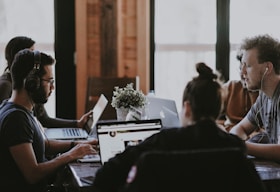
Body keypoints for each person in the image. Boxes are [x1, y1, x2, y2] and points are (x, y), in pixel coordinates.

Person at [92, 62, 246, 192]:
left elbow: (104, 177)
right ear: (218, 108)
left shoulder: (161, 142)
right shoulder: (235, 147)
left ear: (187, 108)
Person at [0, 49, 98, 192]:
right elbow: (33, 174)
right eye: (49, 81)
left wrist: (79, 144)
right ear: (32, 82)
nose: (52, 87)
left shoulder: (17, 109)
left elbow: (44, 145)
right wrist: (71, 155)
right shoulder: (16, 119)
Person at [0, 36, 91, 129]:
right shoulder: (5, 86)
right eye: (31, 52)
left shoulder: (34, 83)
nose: (37, 59)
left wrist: (77, 124)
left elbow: (44, 119)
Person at [230, 34, 280, 161]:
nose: (242, 73)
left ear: (267, 68)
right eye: (242, 66)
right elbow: (240, 128)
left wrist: (242, 146)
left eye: (248, 66)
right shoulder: (264, 97)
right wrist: (240, 143)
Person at [218, 52, 259, 132]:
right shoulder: (231, 86)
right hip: (233, 135)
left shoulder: (268, 94)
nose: (242, 73)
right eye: (240, 68)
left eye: (248, 67)